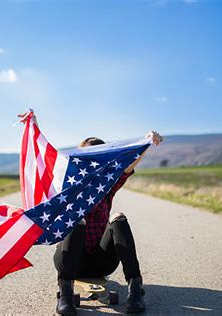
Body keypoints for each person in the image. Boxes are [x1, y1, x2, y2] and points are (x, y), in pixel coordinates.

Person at [18, 112, 163, 315]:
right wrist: (34, 125)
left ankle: (135, 289)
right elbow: (45, 159)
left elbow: (127, 167)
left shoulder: (107, 186)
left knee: (118, 217)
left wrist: (147, 141)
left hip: (101, 261)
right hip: (70, 262)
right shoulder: (65, 186)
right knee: (76, 220)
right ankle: (66, 295)